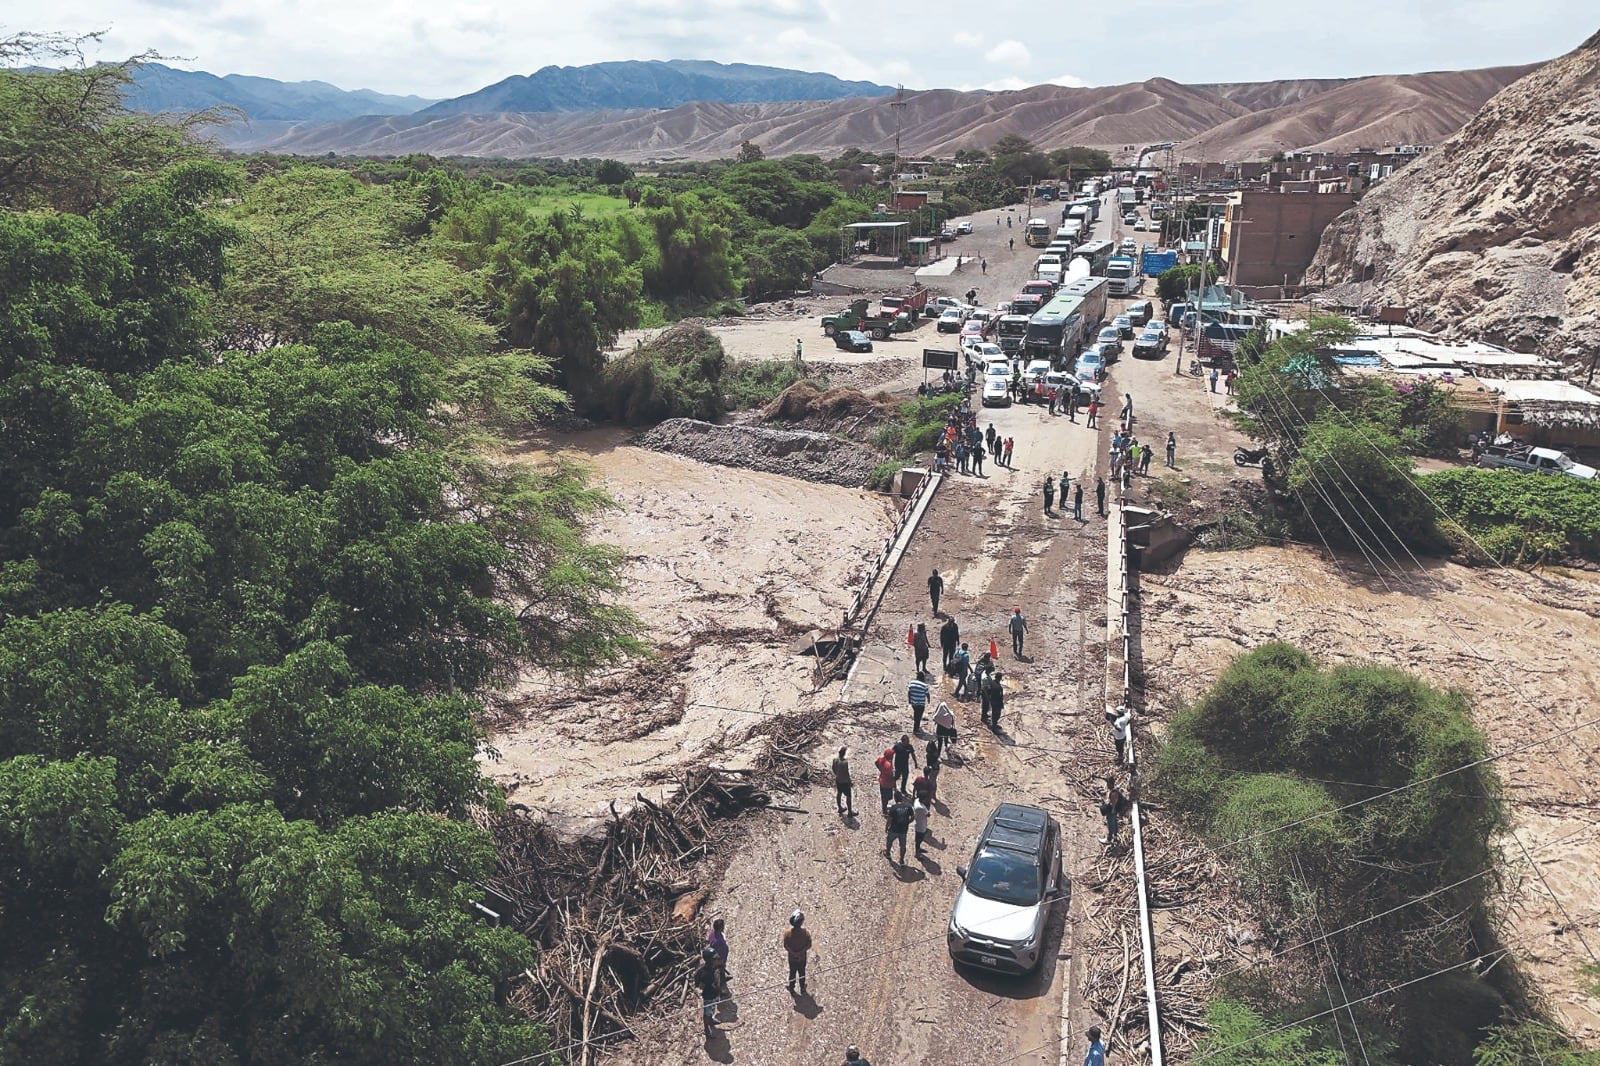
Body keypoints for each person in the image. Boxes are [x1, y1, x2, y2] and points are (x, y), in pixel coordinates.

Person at [783, 910, 812, 994]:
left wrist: (793, 953)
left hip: (792, 959)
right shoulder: (805, 933)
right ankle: (802, 987)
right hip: (802, 958)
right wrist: (800, 953)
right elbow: (809, 945)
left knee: (792, 972)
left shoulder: (787, 933)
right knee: (802, 972)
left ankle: (791, 987)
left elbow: (786, 946)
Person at [695, 947, 721, 1036]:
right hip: (709, 997)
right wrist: (700, 992)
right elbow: (700, 987)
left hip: (715, 994)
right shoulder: (706, 974)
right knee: (707, 1012)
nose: (718, 959)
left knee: (713, 1009)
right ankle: (707, 1029)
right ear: (710, 960)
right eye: (715, 959)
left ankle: (711, 1020)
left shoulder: (714, 967)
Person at [885, 790, 914, 864]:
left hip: (893, 829)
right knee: (903, 846)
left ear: (895, 799)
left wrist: (886, 827)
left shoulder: (893, 808)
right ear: (902, 798)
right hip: (903, 830)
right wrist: (908, 822)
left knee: (889, 841)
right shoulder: (908, 806)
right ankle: (901, 860)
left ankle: (888, 853)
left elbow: (889, 819)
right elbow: (913, 817)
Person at [1100, 776, 1129, 844]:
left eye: (1108, 783)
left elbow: (1113, 803)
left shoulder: (1113, 793)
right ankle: (1115, 836)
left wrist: (1111, 810)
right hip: (1115, 810)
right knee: (1115, 822)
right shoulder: (1115, 790)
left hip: (1113, 811)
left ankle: (1109, 839)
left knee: (1111, 824)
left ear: (1110, 784)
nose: (1107, 785)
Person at [708, 917, 731, 993]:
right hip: (719, 959)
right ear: (720, 928)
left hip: (716, 957)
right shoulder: (718, 942)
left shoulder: (712, 934)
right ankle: (720, 990)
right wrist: (722, 961)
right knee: (718, 973)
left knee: (720, 971)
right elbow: (721, 951)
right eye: (723, 926)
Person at [831, 746, 855, 816]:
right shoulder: (845, 762)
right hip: (845, 782)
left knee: (839, 793)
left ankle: (840, 808)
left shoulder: (835, 760)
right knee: (848, 796)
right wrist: (850, 782)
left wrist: (837, 775)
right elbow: (846, 773)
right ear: (844, 753)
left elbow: (833, 769)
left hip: (838, 780)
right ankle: (850, 812)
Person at [875, 749, 895, 814]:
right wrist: (894, 784)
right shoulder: (888, 765)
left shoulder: (880, 759)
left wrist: (880, 770)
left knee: (883, 796)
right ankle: (885, 810)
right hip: (887, 783)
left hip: (882, 780)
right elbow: (891, 776)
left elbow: (876, 763)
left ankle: (884, 808)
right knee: (887, 797)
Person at [913, 792, 932, 856]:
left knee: (918, 839)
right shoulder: (922, 808)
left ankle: (918, 849)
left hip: (918, 822)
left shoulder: (916, 800)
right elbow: (928, 815)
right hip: (921, 825)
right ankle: (917, 853)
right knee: (919, 839)